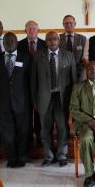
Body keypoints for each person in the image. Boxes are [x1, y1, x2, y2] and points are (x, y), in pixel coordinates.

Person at [31, 31, 76, 167]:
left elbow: (73, 79)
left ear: (59, 40)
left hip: (62, 98)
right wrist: (34, 100)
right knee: (45, 128)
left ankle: (62, 155)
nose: (52, 41)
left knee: (62, 127)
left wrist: (73, 100)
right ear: (46, 41)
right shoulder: (37, 56)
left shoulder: (69, 56)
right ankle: (48, 156)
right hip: (44, 98)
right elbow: (33, 81)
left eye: (55, 39)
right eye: (49, 39)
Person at [0, 32, 31, 168]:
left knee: (22, 132)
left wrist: (30, 102)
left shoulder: (26, 58)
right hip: (2, 103)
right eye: (6, 41)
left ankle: (22, 157)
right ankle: (11, 157)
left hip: (21, 102)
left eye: (12, 41)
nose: (9, 43)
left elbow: (30, 81)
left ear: (17, 42)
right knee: (7, 133)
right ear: (3, 43)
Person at [17, 20, 46, 144]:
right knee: (26, 112)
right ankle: (28, 136)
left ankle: (40, 136)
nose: (31, 31)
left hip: (40, 83)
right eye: (29, 29)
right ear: (25, 30)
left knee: (39, 111)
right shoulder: (18, 44)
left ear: (38, 30)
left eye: (34, 28)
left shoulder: (45, 44)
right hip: (23, 83)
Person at [60, 15, 88, 82]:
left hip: (79, 73)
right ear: (63, 25)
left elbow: (85, 57)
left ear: (75, 24)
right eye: (66, 23)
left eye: (71, 23)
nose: (68, 25)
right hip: (62, 73)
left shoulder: (83, 39)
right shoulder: (58, 39)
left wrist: (78, 69)